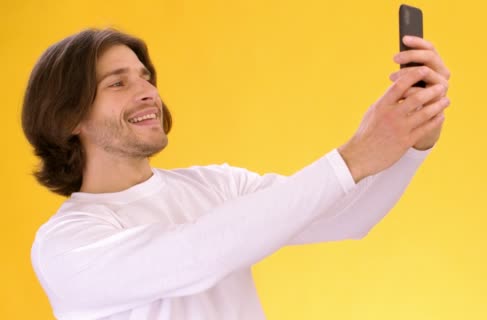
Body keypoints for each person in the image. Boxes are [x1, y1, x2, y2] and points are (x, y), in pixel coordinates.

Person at [22, 27, 450, 320]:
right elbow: (196, 255)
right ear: (70, 117)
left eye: (145, 76)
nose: (148, 91)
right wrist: (354, 155)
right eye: (118, 83)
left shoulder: (216, 186)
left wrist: (415, 140)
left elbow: (348, 215)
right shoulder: (66, 246)